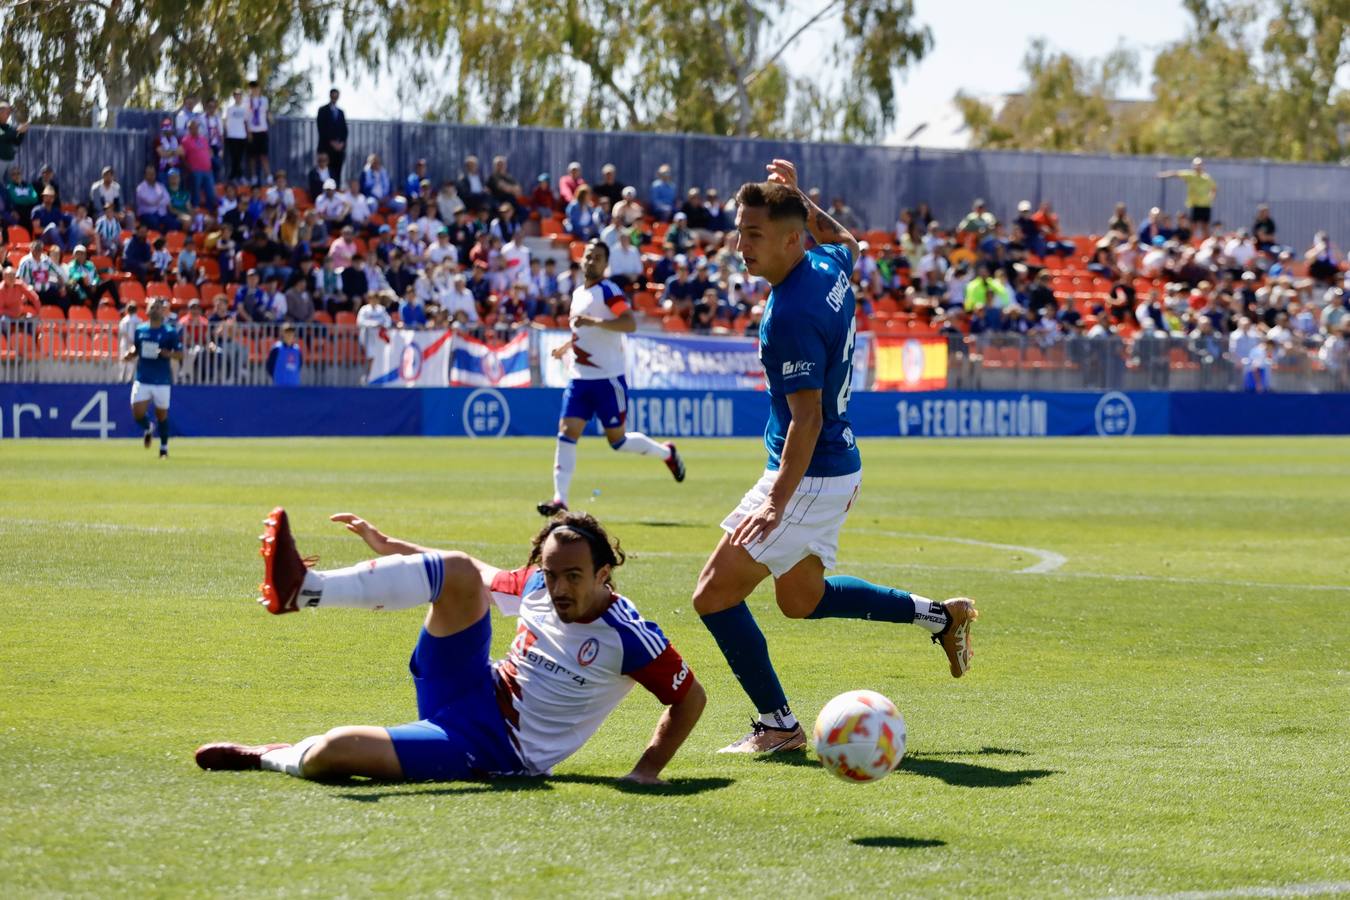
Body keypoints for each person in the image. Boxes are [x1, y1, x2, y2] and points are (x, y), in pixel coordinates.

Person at [691, 160, 979, 754]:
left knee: (713, 594)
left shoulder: (790, 315)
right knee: (802, 600)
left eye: (754, 234)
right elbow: (848, 240)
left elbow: (808, 417)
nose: (740, 245)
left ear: (792, 238)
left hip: (807, 473)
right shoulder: (827, 263)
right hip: (834, 467)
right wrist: (801, 198)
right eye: (740, 231)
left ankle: (777, 726)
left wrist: (774, 503)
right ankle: (940, 617)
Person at [196, 507, 705, 784]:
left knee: (333, 751)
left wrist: (646, 771)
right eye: (552, 575)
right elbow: (474, 576)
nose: (560, 588)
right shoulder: (535, 586)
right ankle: (307, 589)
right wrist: (389, 545)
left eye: (574, 576)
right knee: (460, 570)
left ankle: (270, 756)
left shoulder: (628, 634)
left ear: (603, 574)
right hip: (465, 683)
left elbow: (690, 698)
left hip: (494, 748)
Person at [539, 239, 686, 516]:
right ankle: (560, 499)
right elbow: (581, 331)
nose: (591, 261)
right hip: (580, 378)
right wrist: (566, 346)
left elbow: (628, 323)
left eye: (597, 258)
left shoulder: (609, 291)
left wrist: (594, 322)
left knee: (617, 441)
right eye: (588, 256)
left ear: (606, 265)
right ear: (582, 259)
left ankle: (667, 453)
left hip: (608, 379)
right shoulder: (578, 293)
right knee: (567, 432)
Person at [122, 297, 182, 459]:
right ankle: (148, 427)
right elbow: (137, 349)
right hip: (143, 378)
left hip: (162, 380)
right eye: (152, 307)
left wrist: (167, 353)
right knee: (137, 412)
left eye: (158, 307)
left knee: (162, 415)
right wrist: (130, 354)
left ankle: (163, 449)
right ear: (147, 311)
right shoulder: (140, 330)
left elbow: (180, 354)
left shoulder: (169, 332)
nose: (155, 309)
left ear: (163, 312)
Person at [1159, 157, 1217, 240]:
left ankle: (1206, 244)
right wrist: (1163, 175)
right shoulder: (1190, 175)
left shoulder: (1207, 178)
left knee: (1205, 227)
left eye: (1199, 165)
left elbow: (1214, 189)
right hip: (1194, 205)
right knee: (1193, 226)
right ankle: (1191, 243)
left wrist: (1211, 198)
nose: (1198, 167)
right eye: (1196, 165)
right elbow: (1175, 173)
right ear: (1193, 166)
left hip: (1205, 205)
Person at [315, 88, 348, 182]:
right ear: (330, 96)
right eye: (333, 95)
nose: (335, 98)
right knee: (326, 173)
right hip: (326, 148)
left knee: (337, 173)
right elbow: (321, 129)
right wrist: (332, 142)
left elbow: (344, 130)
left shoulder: (340, 112)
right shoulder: (322, 110)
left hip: (338, 150)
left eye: (336, 96)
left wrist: (341, 143)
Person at [223, 89, 250, 181]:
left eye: (240, 96)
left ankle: (237, 176)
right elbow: (226, 121)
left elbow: (246, 122)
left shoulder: (244, 109)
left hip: (242, 136)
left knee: (239, 157)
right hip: (232, 136)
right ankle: (235, 176)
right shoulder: (230, 109)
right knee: (234, 157)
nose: (238, 97)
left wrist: (248, 133)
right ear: (234, 97)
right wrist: (226, 133)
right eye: (236, 96)